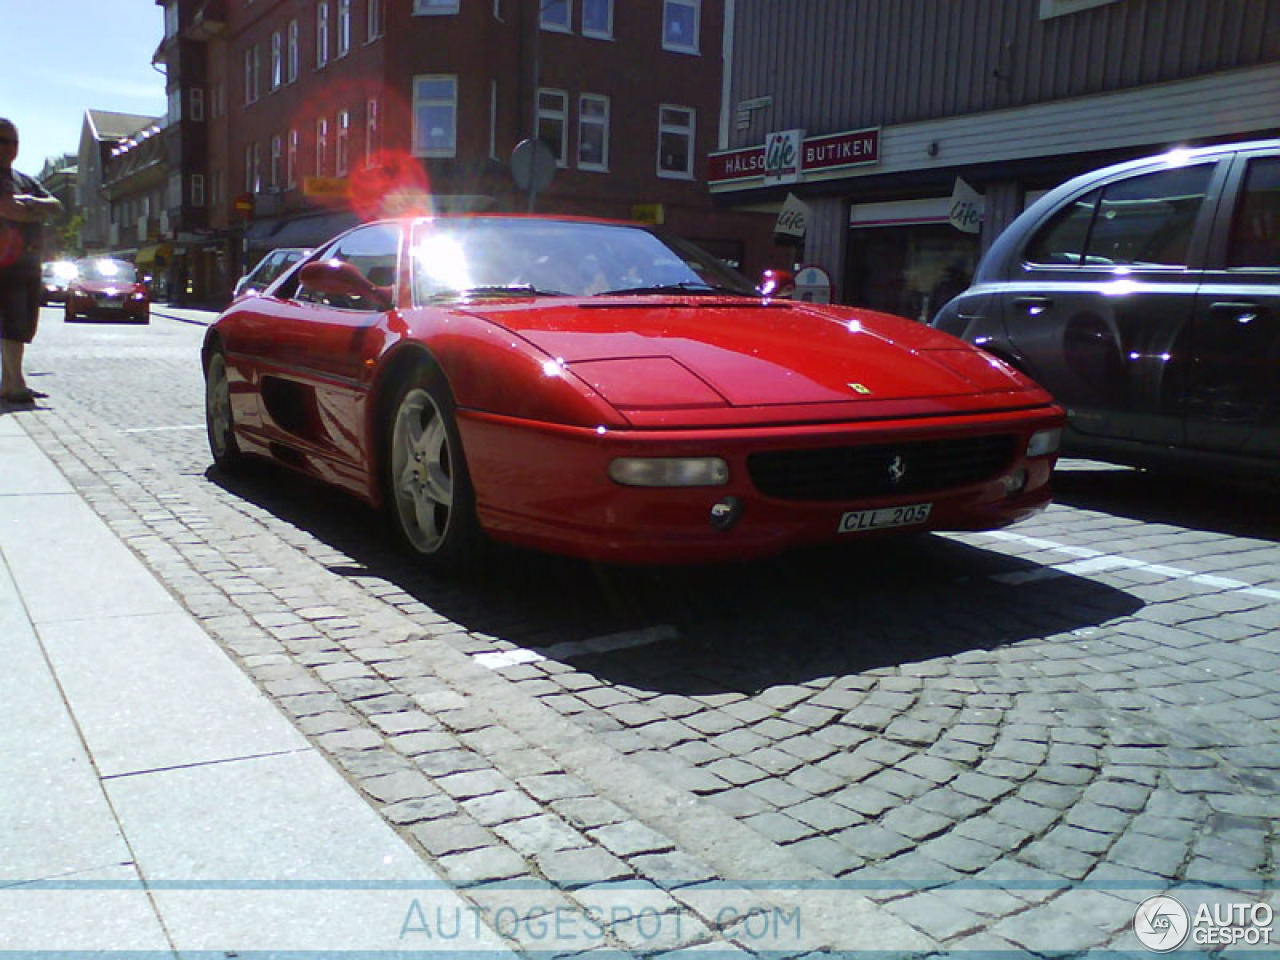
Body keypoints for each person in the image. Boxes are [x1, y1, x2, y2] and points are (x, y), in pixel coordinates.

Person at [0, 117, 63, 404]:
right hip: (5, 263)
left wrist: (33, 204)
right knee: (11, 321)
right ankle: (13, 383)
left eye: (13, 142)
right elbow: (9, 210)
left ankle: (11, 381)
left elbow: (56, 205)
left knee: (24, 323)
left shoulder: (23, 180)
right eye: (3, 141)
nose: (9, 148)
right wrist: (34, 209)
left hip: (28, 261)